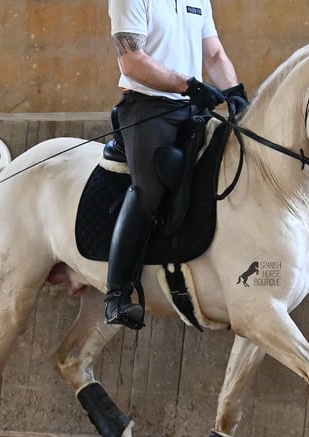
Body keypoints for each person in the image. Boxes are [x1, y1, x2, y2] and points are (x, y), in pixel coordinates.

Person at [105, 0, 249, 330]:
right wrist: (188, 85)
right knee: (150, 188)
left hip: (192, 108)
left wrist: (235, 92)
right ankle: (117, 292)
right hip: (147, 108)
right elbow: (131, 61)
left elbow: (214, 54)